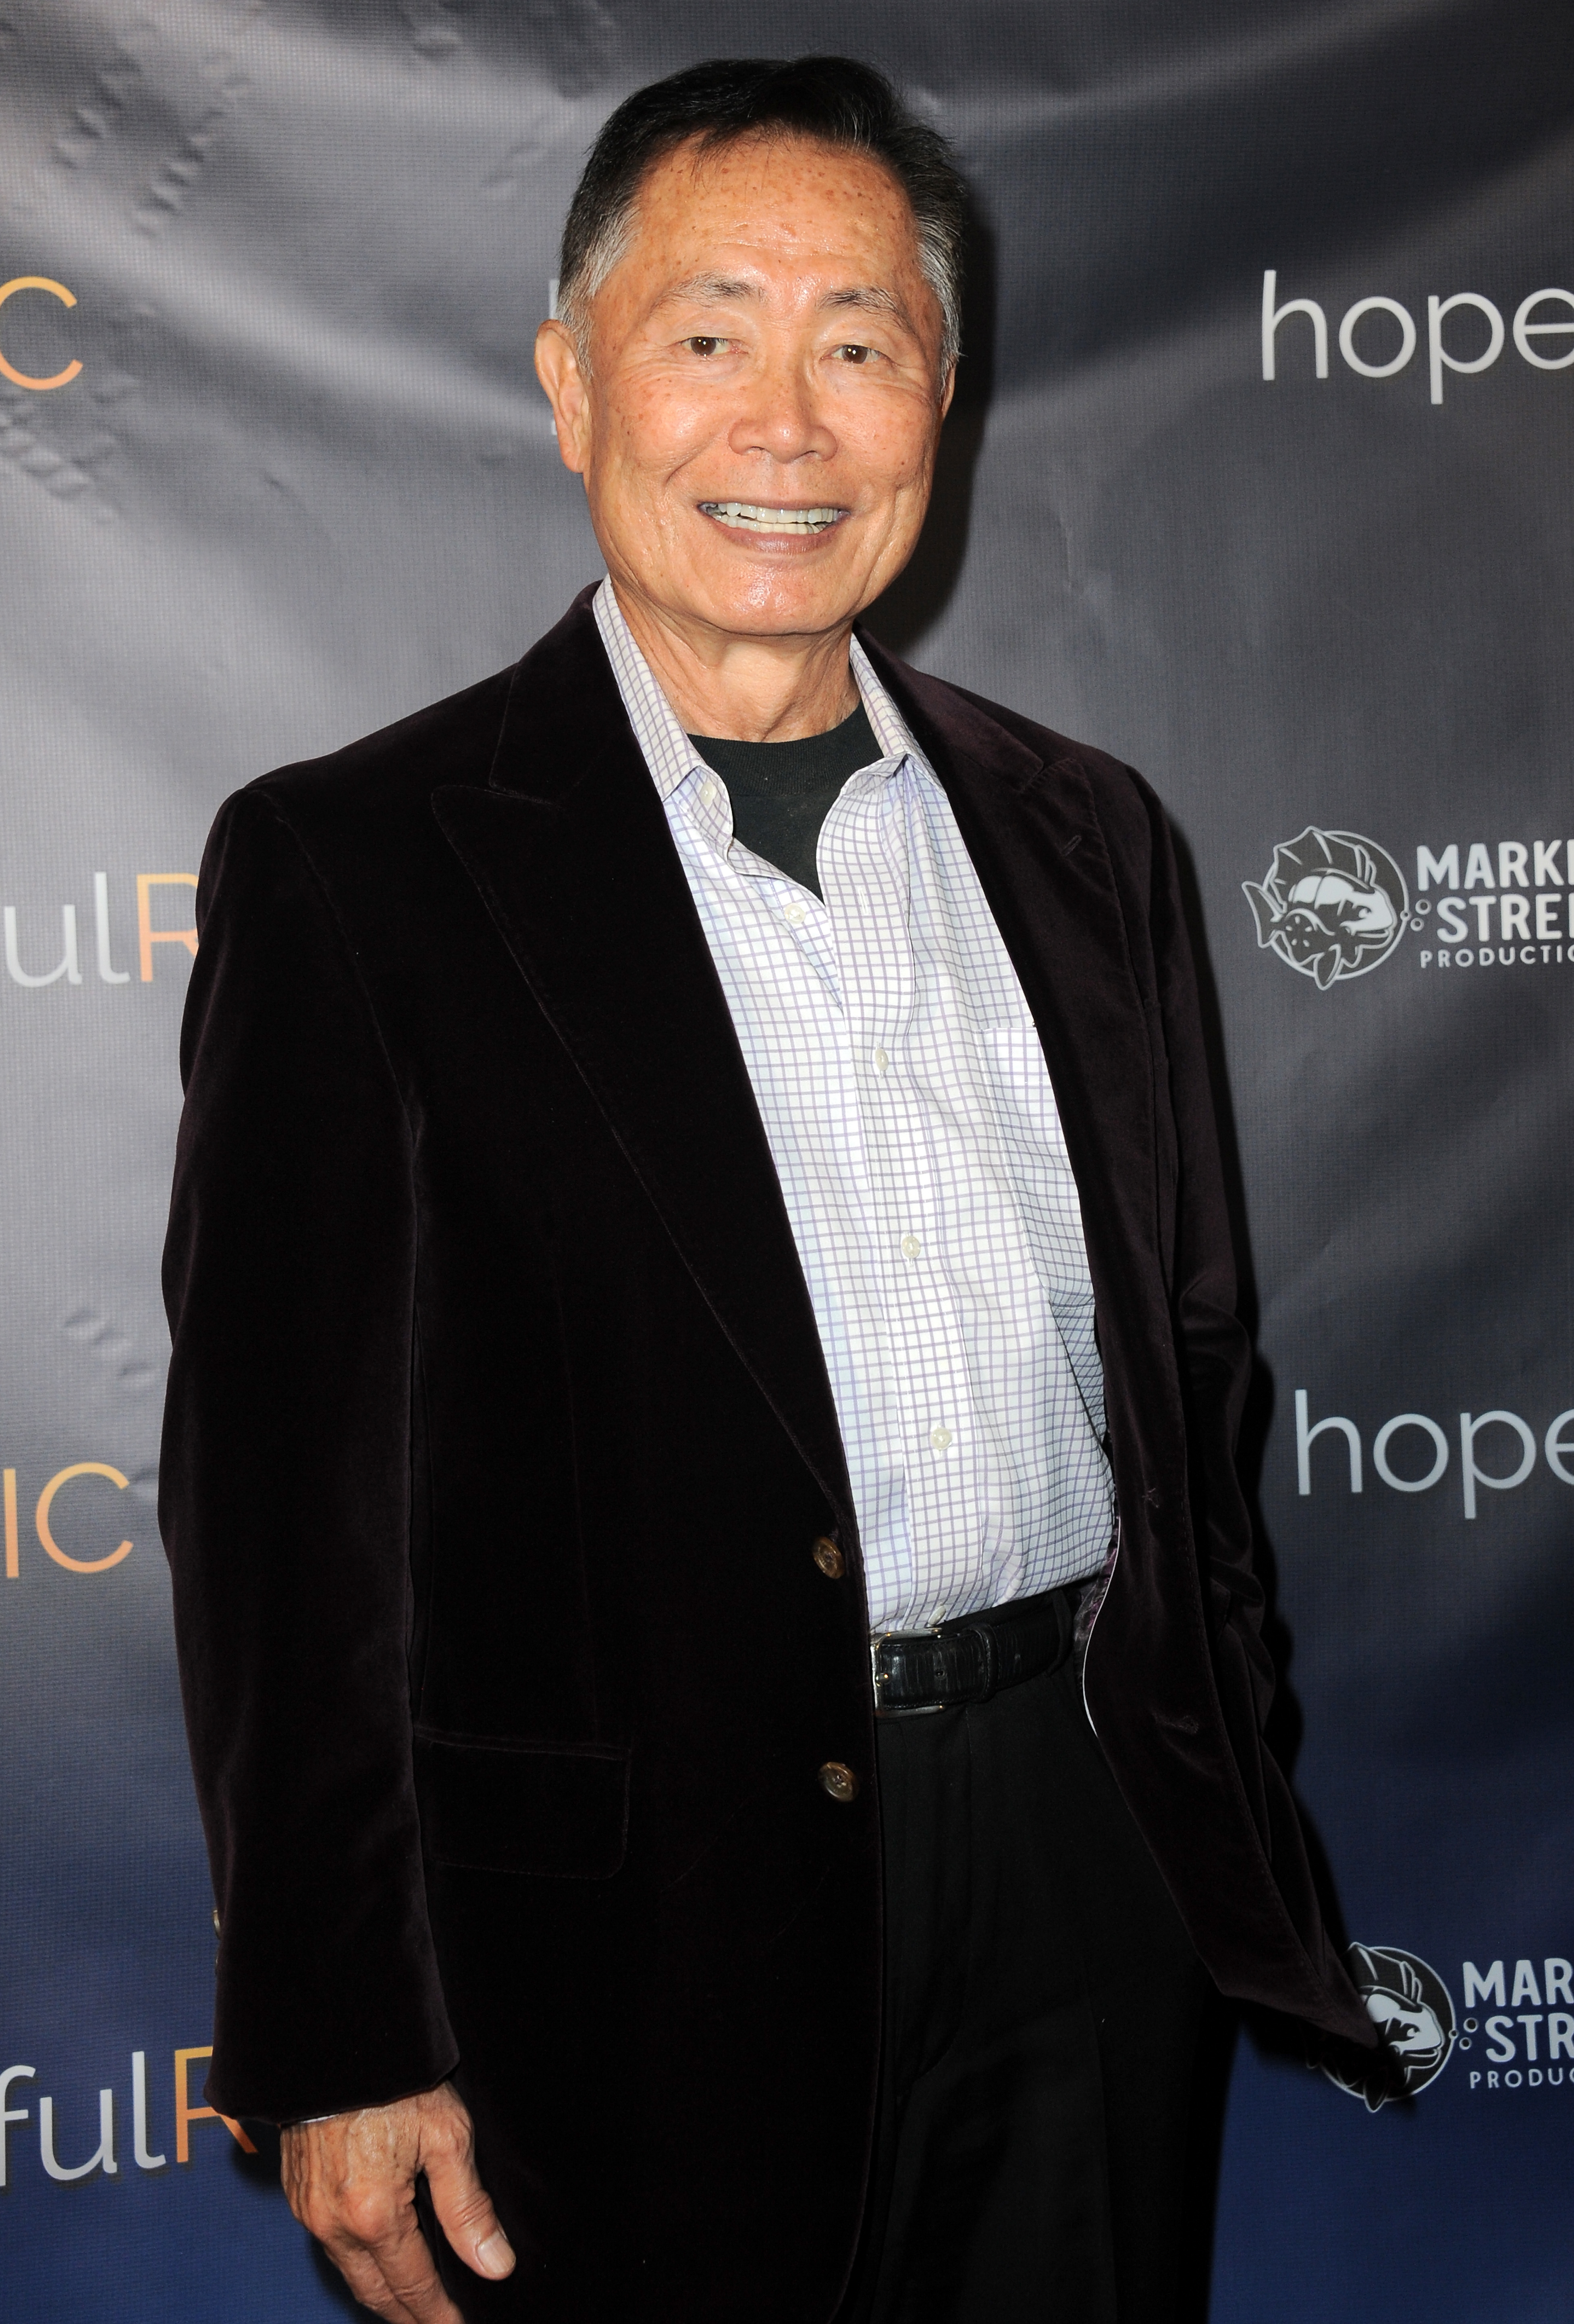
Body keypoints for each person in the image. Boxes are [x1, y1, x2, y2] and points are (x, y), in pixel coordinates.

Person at [159, 54, 1375, 2324]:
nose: (786, 426)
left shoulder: (1085, 834)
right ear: (572, 383)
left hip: (1083, 1854)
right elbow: (276, 1509)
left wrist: (1202, 1792)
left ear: (944, 390)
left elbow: (1187, 1369)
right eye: (710, 335)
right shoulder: (363, 866)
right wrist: (337, 2017)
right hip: (630, 1922)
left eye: (859, 342)